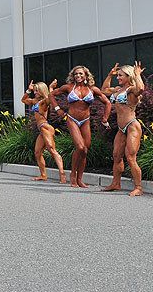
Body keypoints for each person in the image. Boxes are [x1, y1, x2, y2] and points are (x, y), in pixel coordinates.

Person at [51, 66, 111, 188]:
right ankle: (73, 175)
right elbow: (51, 95)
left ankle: (80, 179)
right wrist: (58, 109)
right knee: (80, 147)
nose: (78, 76)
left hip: (85, 121)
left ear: (86, 75)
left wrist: (105, 118)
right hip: (72, 119)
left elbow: (107, 103)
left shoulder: (93, 89)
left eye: (80, 74)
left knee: (85, 150)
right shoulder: (68, 87)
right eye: (76, 74)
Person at [100, 62, 146, 196]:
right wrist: (110, 75)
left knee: (130, 157)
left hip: (132, 126)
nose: (118, 77)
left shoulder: (131, 90)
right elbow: (103, 90)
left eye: (120, 75)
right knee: (116, 156)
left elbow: (141, 89)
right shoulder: (117, 90)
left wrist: (137, 75)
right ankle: (116, 183)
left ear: (128, 76)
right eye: (118, 75)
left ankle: (138, 188)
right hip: (121, 128)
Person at [21, 80, 66, 183]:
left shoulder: (44, 101)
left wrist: (51, 88)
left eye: (37, 90)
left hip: (45, 127)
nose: (35, 92)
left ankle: (62, 175)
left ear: (42, 90)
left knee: (52, 150)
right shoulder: (34, 101)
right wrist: (28, 90)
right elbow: (23, 100)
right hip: (41, 130)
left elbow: (50, 98)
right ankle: (43, 175)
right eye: (34, 90)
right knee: (37, 153)